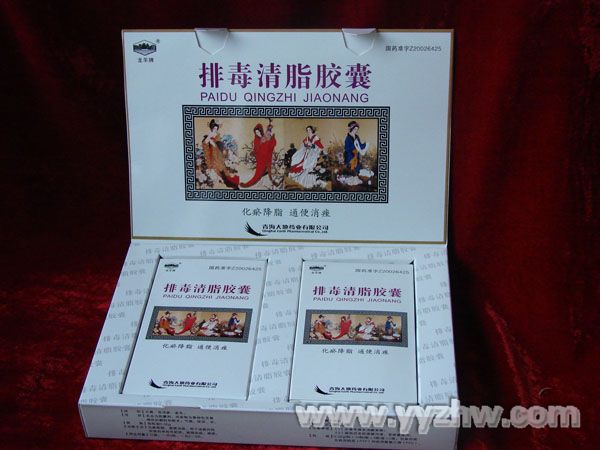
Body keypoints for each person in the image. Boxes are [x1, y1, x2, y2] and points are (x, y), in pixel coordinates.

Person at [240, 118, 278, 188]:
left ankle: (273, 181)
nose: (258, 133)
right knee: (257, 174)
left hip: (267, 156)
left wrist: (271, 138)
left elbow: (269, 134)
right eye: (256, 132)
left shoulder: (265, 136)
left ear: (261, 131)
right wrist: (253, 152)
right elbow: (256, 149)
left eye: (258, 132)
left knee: (269, 170)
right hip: (260, 159)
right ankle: (247, 184)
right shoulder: (256, 140)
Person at [201, 119, 239, 188]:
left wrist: (213, 143)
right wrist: (209, 139)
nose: (215, 130)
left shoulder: (217, 135)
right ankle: (229, 182)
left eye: (216, 128)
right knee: (218, 170)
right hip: (211, 156)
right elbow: (205, 144)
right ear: (211, 128)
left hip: (218, 155)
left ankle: (231, 182)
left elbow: (219, 145)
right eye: (214, 128)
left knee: (223, 170)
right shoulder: (209, 135)